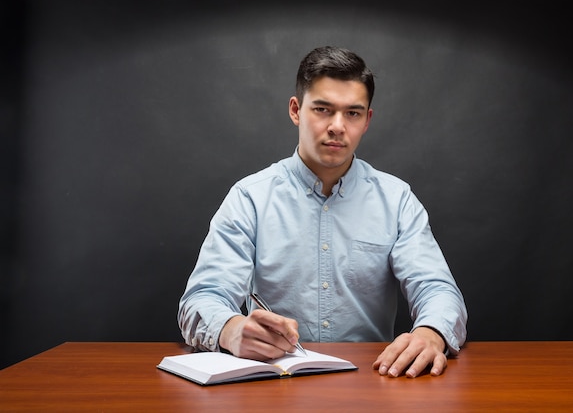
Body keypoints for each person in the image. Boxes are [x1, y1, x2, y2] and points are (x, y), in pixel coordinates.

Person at [178, 46, 467, 378]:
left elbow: (436, 288)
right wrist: (231, 329)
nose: (337, 126)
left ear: (367, 120)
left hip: (371, 382)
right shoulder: (250, 198)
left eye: (353, 113)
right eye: (323, 110)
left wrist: (431, 334)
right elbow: (203, 297)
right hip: (270, 385)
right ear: (296, 110)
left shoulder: (397, 199)